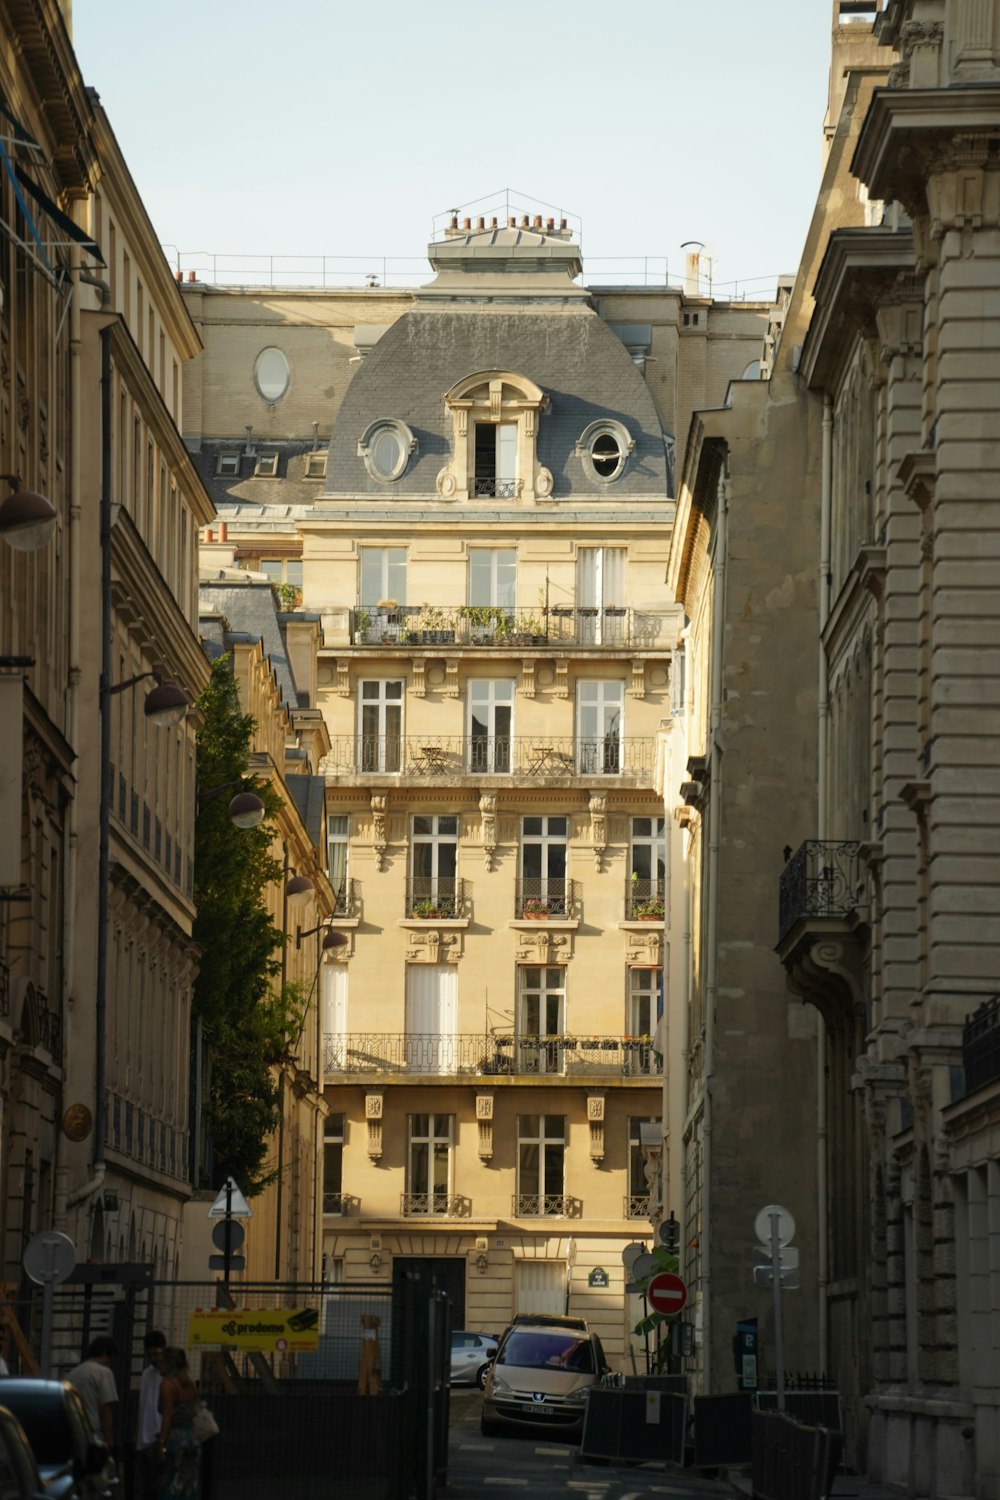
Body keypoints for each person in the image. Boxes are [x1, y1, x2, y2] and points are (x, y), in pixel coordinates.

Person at [154, 1347, 200, 1500]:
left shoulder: (167, 1385)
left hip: (175, 1437)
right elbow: (196, 1409)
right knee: (189, 1483)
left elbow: (167, 1417)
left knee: (168, 1484)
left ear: (169, 1364)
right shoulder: (190, 1385)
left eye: (161, 1363)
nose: (158, 1366)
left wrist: (161, 1443)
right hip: (192, 1437)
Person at [66, 1335, 119, 1447]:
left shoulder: (72, 1374)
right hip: (94, 1431)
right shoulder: (104, 1372)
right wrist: (110, 1441)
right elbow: (105, 1410)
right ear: (105, 1353)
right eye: (111, 1358)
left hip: (72, 1430)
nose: (110, 1363)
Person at [135, 1331, 166, 1500]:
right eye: (150, 1354)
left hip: (155, 1438)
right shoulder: (148, 1374)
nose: (153, 1358)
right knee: (148, 1488)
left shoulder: (165, 1374)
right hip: (146, 1440)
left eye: (156, 1354)